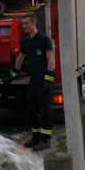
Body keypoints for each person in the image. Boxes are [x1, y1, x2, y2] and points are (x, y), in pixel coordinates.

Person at [8, 12, 55, 152]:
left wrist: (49, 79)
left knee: (45, 111)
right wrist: (14, 73)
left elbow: (51, 59)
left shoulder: (44, 39)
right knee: (32, 110)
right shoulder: (26, 41)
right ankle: (35, 137)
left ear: (33, 23)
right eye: (23, 24)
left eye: (26, 23)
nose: (24, 26)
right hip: (33, 82)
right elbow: (20, 57)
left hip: (42, 82)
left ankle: (45, 140)